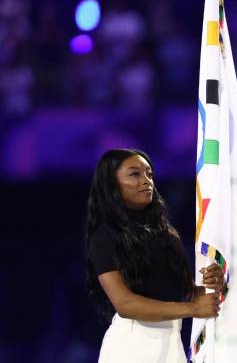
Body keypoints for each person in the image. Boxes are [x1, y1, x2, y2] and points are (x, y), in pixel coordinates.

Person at [85, 148, 224, 363]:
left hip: (172, 345)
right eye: (134, 174)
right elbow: (125, 304)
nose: (146, 180)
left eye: (149, 174)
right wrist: (193, 308)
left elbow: (184, 292)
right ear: (112, 184)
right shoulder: (105, 237)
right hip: (131, 348)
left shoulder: (167, 234)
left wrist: (210, 284)